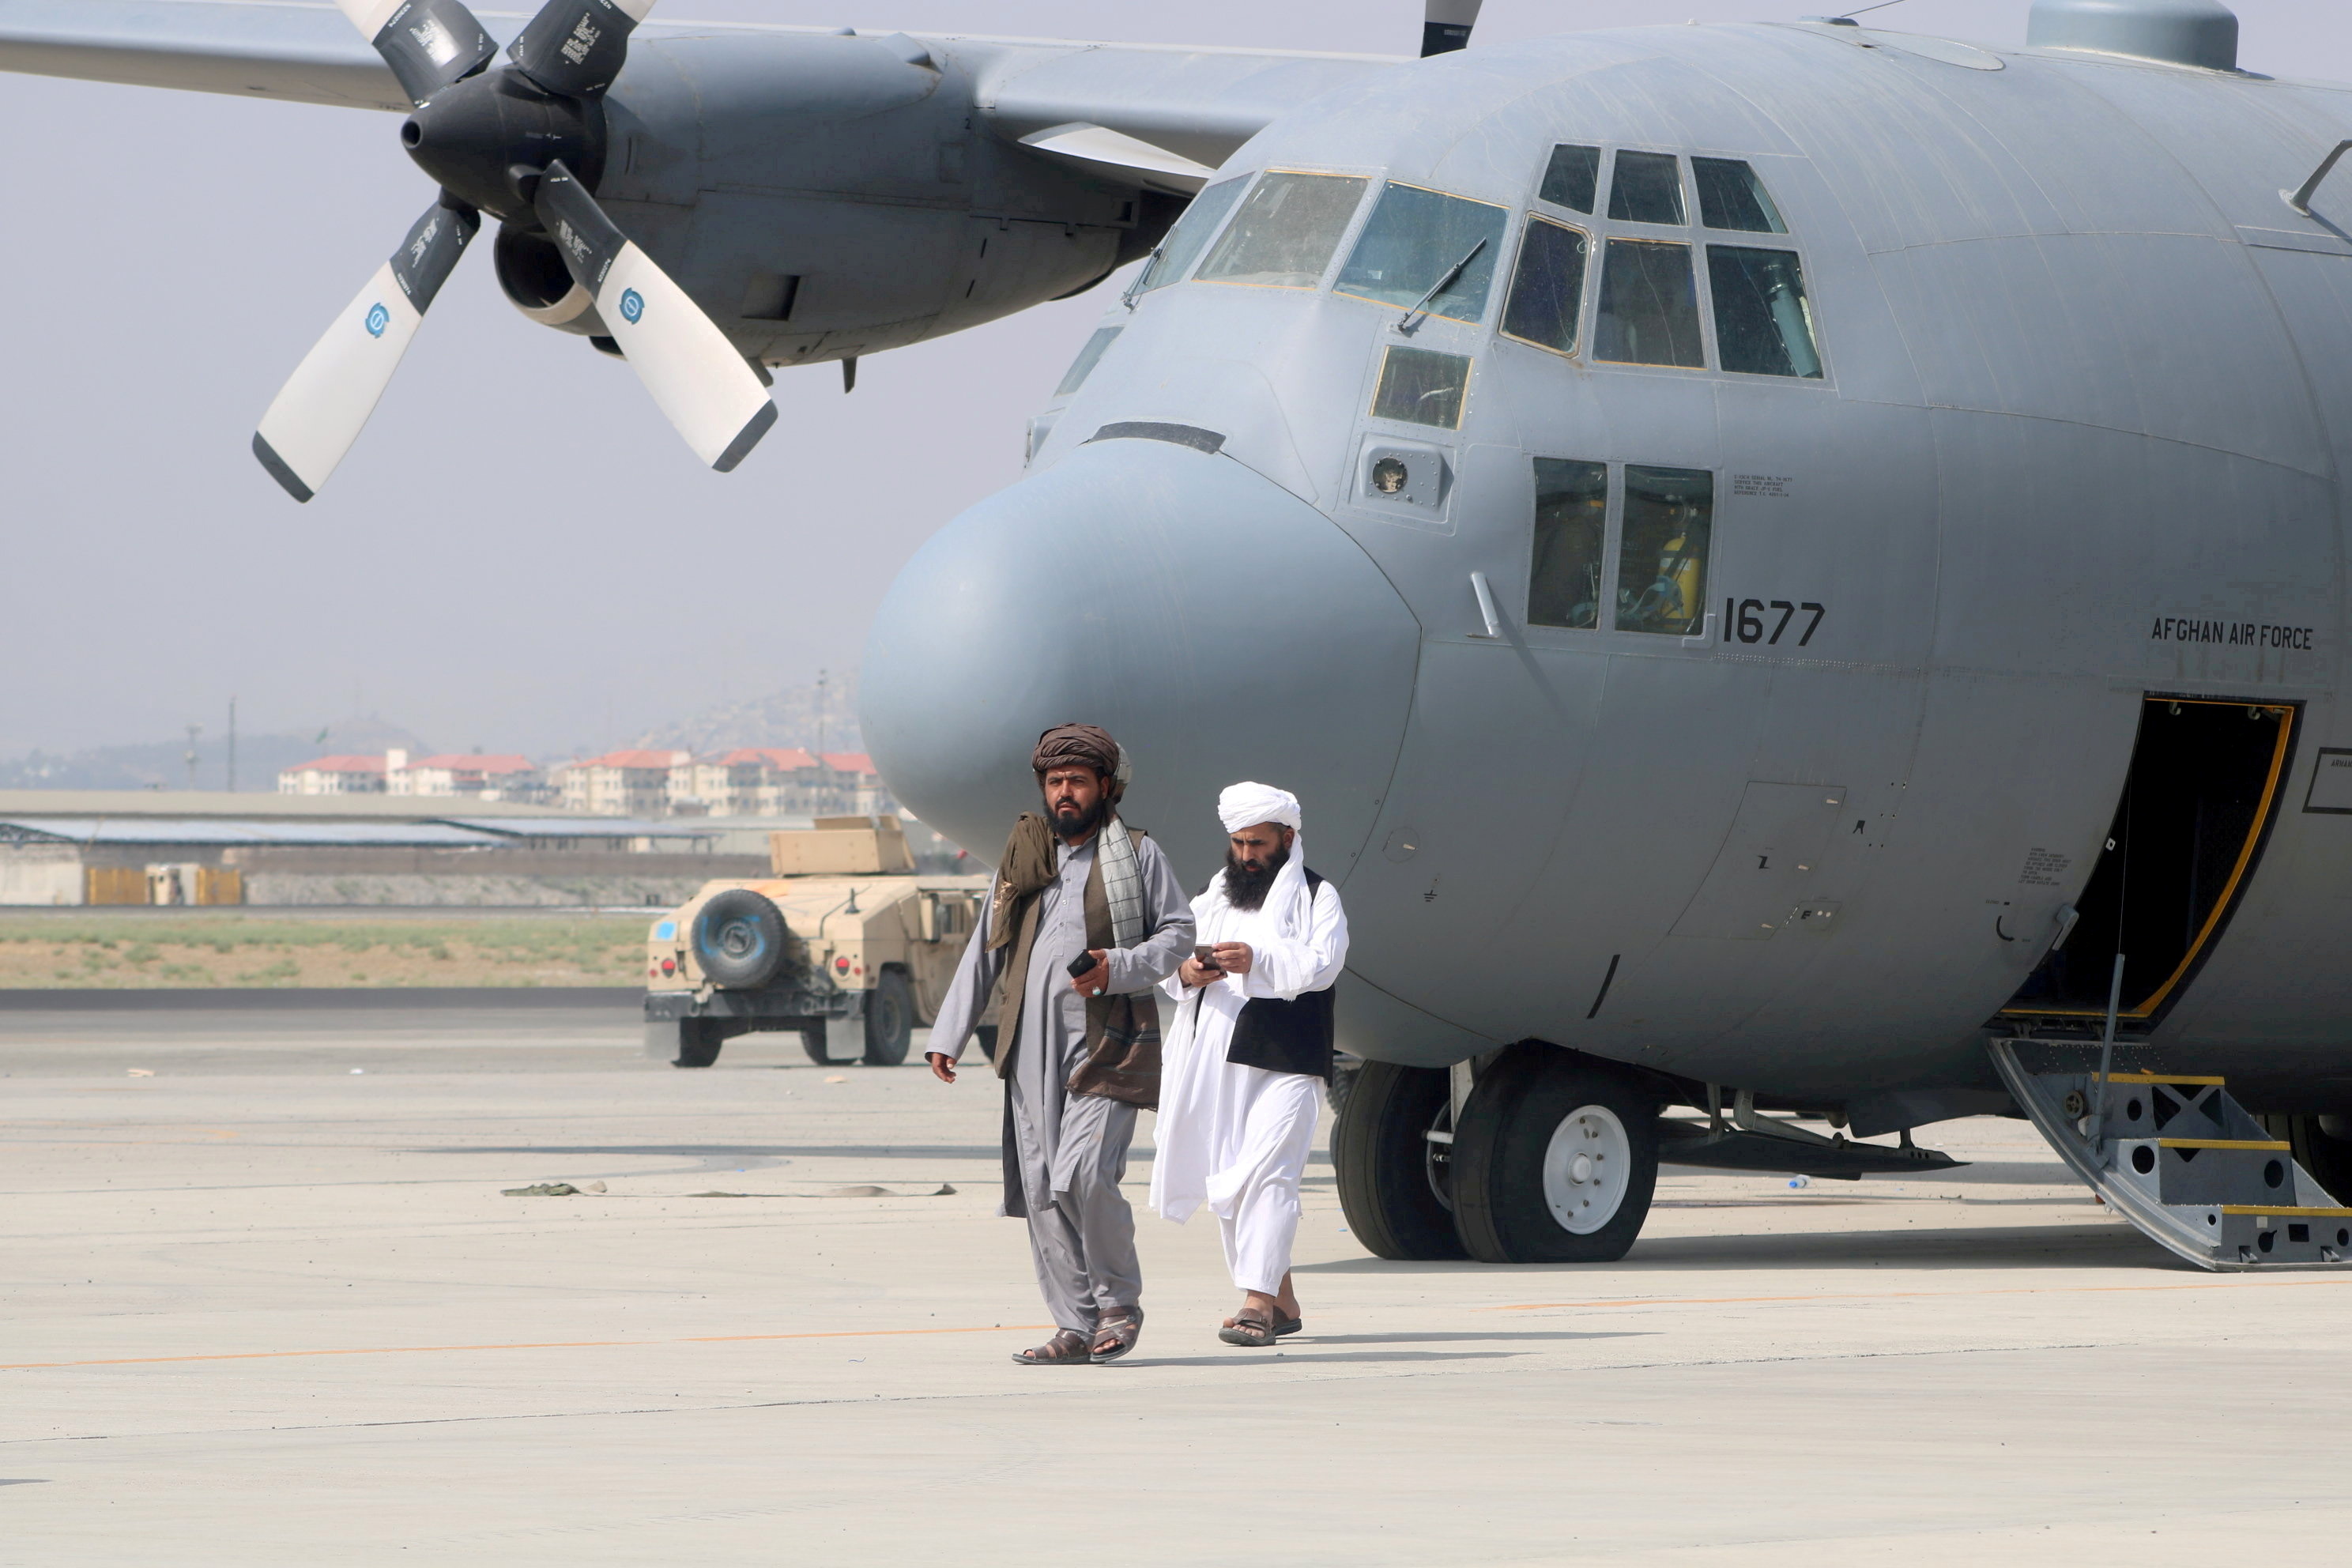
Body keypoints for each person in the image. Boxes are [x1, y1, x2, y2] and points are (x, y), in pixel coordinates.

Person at [925, 722, 1193, 1366]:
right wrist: (950, 1033)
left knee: (1084, 1174)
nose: (1065, 793)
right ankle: (1074, 1324)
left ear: (1106, 786)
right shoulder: (1024, 857)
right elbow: (983, 950)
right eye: (1054, 782)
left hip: (1110, 1043)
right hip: (1031, 1050)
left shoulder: (1137, 855)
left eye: (1076, 781)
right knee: (1044, 1186)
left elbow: (1179, 933)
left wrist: (1120, 967)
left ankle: (1119, 1304)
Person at [1149, 782, 1348, 1348]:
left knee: (1269, 1173)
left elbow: (1323, 964)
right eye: (1237, 843)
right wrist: (1189, 974)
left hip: (1288, 1056)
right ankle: (1282, 1299)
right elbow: (1171, 962)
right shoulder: (1214, 898)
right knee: (1233, 1181)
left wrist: (1259, 961)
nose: (1245, 855)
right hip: (1216, 1058)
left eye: (1257, 843)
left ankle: (1256, 1304)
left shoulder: (1317, 897)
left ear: (1287, 838)